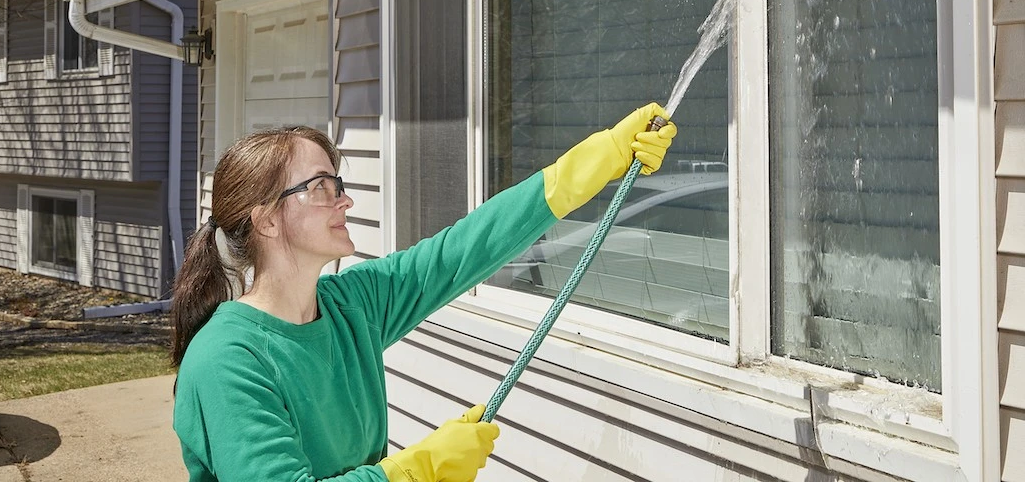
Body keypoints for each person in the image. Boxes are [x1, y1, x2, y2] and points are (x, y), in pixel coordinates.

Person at [170, 103, 677, 482]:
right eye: (320, 187)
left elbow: (466, 249)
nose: (344, 200)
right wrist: (419, 469)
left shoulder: (353, 307)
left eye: (338, 183)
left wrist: (604, 157)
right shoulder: (227, 361)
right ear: (266, 221)